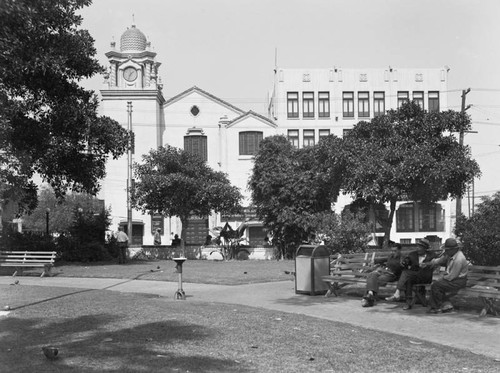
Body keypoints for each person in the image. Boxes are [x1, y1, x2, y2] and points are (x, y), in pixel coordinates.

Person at [386, 238, 439, 310]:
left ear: (425, 248)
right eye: (417, 246)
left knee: (406, 274)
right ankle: (408, 303)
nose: (418, 248)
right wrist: (404, 262)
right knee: (408, 279)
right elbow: (407, 260)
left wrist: (428, 264)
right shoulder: (412, 254)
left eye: (420, 247)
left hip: (425, 277)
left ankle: (397, 294)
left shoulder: (432, 255)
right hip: (415, 276)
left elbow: (438, 263)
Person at [427, 238, 468, 314]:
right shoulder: (450, 254)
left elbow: (452, 276)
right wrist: (432, 261)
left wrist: (442, 278)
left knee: (436, 285)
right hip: (453, 279)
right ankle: (447, 305)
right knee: (437, 284)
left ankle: (436, 307)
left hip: (458, 281)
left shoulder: (459, 259)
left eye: (447, 249)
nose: (446, 251)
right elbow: (440, 260)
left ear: (453, 249)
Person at [362, 242, 404, 307]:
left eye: (395, 251)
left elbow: (399, 267)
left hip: (392, 275)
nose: (393, 252)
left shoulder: (402, 258)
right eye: (392, 251)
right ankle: (371, 294)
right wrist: (375, 260)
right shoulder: (391, 256)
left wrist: (387, 269)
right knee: (371, 274)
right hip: (384, 272)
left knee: (374, 279)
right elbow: (385, 259)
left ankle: (368, 299)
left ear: (399, 250)